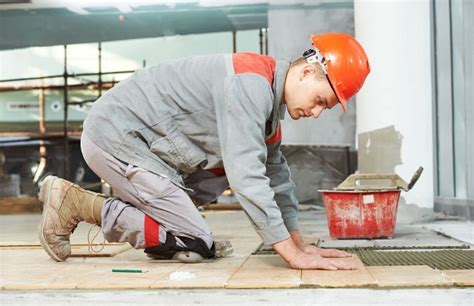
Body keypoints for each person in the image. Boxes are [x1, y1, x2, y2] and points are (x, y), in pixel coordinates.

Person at [38, 32, 370, 270]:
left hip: (147, 149)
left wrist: (298, 242)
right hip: (116, 139)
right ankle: (76, 202)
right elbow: (247, 178)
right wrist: (289, 254)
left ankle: (175, 225)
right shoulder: (250, 85)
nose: (315, 112)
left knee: (238, 168)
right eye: (320, 101)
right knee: (197, 243)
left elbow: (276, 176)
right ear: (308, 71)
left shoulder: (267, 101)